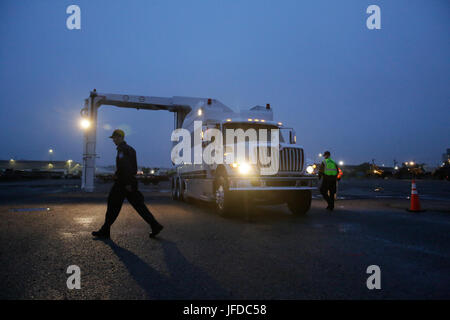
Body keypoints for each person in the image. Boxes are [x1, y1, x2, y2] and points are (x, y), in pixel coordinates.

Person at [92, 129, 163, 239]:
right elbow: (132, 168)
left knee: (112, 205)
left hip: (123, 183)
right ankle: (155, 225)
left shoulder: (123, 150)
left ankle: (105, 231)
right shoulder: (130, 149)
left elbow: (126, 167)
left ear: (120, 137)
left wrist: (126, 183)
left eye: (115, 138)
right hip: (128, 182)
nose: (113, 140)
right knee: (139, 206)